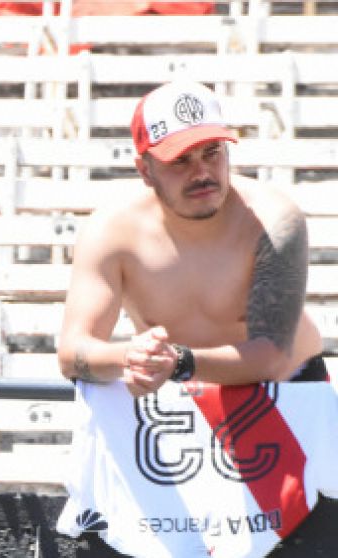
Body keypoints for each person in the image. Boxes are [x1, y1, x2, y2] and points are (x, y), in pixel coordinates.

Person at [58, 80, 326, 395]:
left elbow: (273, 356)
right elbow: (72, 351)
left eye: (212, 152)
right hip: (177, 390)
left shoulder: (274, 218)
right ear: (145, 171)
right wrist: (130, 356)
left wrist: (180, 363)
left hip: (288, 387)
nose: (201, 173)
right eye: (180, 160)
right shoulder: (110, 231)